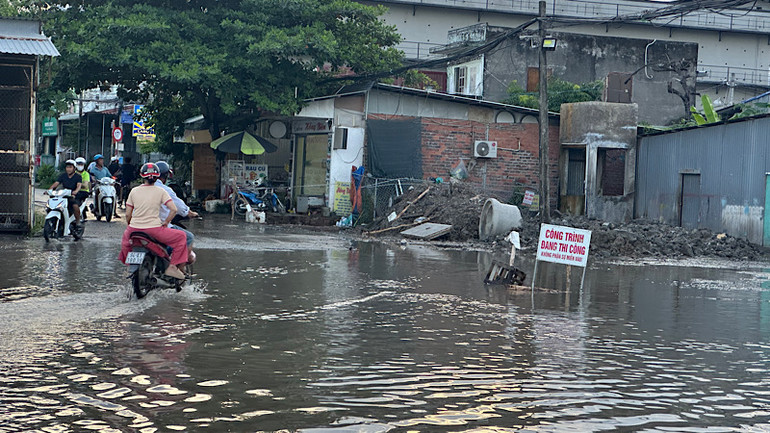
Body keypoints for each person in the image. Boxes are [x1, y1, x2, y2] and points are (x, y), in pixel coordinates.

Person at [119, 163, 187, 280]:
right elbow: (174, 209)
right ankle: (171, 267)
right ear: (158, 177)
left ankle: (129, 267)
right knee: (182, 237)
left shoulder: (134, 191)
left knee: (126, 244)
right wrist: (166, 222)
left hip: (133, 230)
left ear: (142, 176)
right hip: (154, 230)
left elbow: (128, 214)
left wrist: (131, 225)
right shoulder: (161, 191)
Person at [154, 161, 198, 265]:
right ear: (165, 176)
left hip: (138, 227)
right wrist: (189, 213)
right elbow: (177, 208)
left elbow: (129, 214)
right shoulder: (165, 190)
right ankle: (176, 268)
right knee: (188, 237)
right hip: (157, 227)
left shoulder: (139, 190)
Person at [48, 159, 83, 226]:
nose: (68, 169)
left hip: (72, 196)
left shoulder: (78, 177)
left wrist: (75, 192)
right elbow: (56, 183)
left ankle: (78, 221)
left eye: (70, 167)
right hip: (63, 195)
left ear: (74, 168)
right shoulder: (63, 176)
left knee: (75, 206)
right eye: (67, 167)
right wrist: (49, 190)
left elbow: (79, 186)